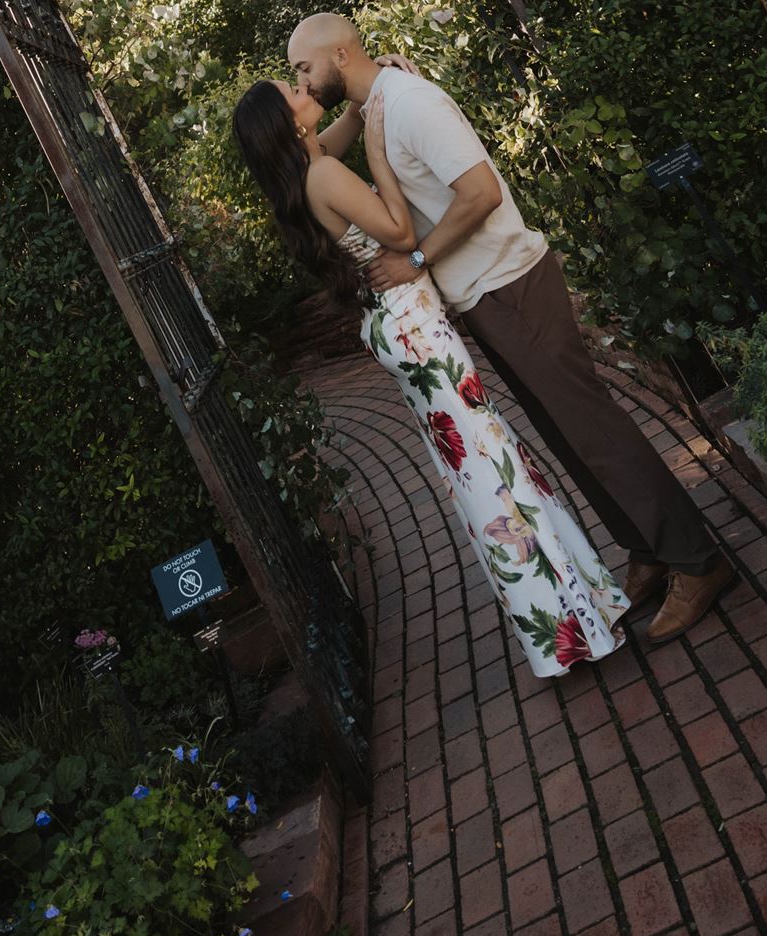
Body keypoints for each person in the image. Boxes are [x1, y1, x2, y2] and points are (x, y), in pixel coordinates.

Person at [281, 14, 738, 646]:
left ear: (337, 53)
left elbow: (480, 193)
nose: (300, 80)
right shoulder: (379, 103)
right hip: (483, 294)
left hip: (511, 283)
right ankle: (647, 550)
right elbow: (316, 152)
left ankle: (699, 560)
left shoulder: (408, 103)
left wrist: (416, 260)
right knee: (566, 436)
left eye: (303, 69)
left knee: (592, 429)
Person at [232, 72, 630, 679]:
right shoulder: (325, 175)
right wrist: (381, 163)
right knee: (489, 466)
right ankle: (571, 624)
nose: (300, 86)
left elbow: (343, 127)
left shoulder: (308, 170)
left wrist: (370, 101)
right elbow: (401, 234)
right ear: (287, 123)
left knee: (480, 466)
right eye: (290, 91)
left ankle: (574, 612)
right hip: (415, 327)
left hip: (398, 327)